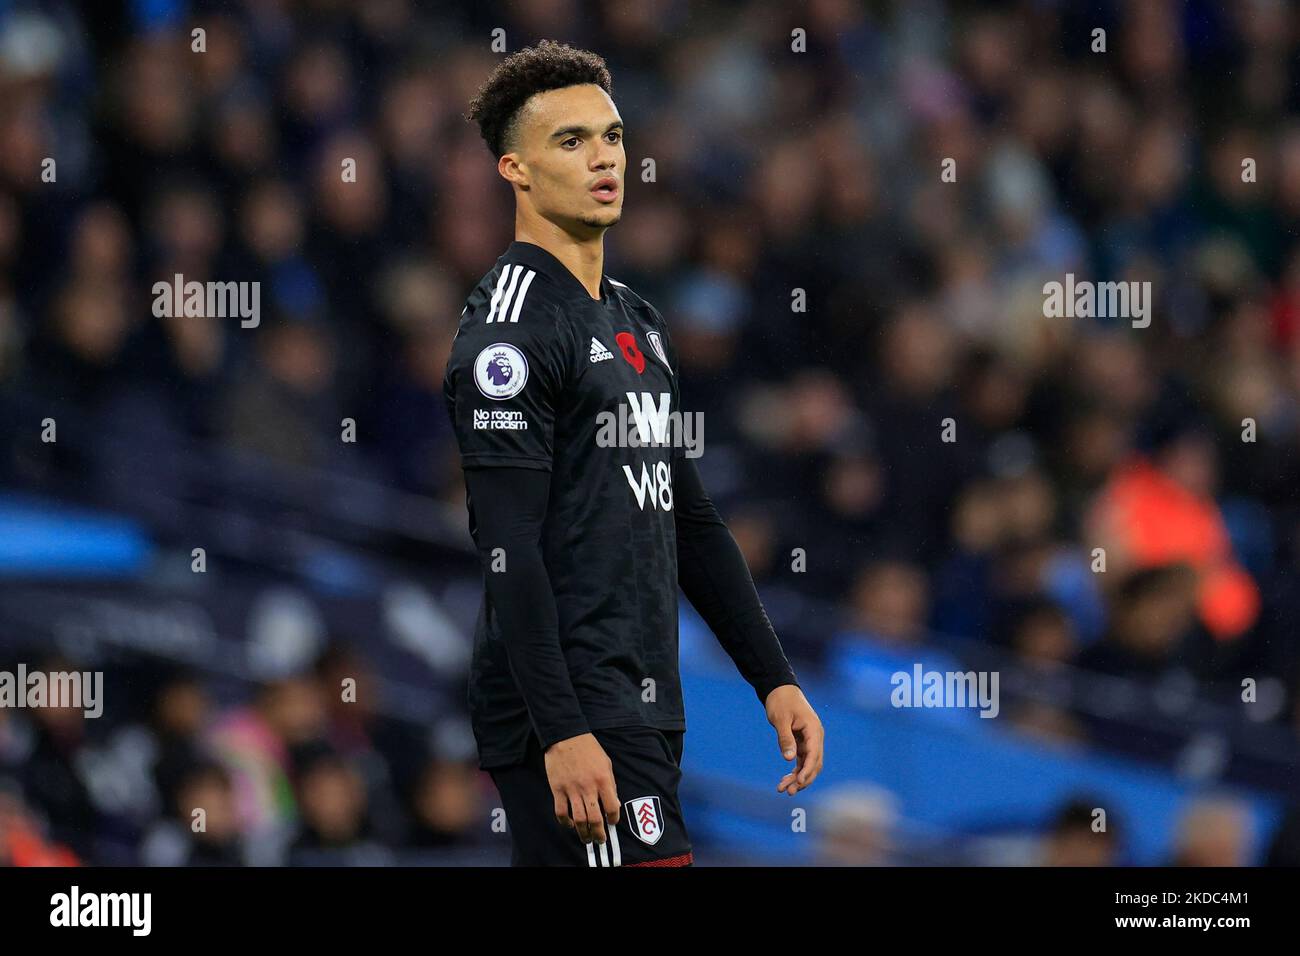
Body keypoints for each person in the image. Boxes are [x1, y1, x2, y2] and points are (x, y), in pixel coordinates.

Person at [444, 40, 824, 866]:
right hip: (576, 714)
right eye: (571, 141)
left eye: (612, 137)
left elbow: (687, 517)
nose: (604, 158)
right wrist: (565, 729)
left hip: (641, 703)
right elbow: (508, 549)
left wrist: (774, 676)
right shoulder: (508, 334)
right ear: (515, 169)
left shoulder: (638, 322)